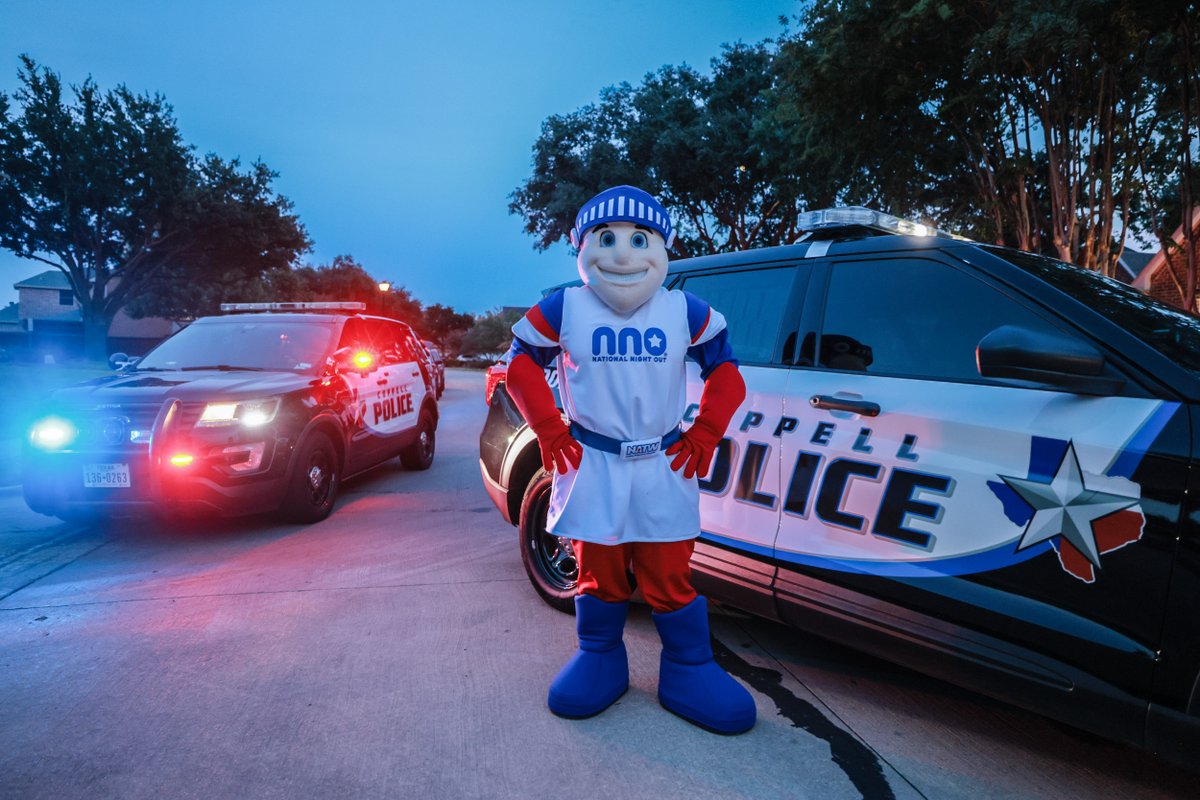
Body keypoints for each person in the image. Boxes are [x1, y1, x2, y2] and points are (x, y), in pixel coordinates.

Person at [504, 185, 755, 734]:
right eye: (607, 238)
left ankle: (689, 667)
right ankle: (600, 657)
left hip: (663, 463)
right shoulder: (565, 305)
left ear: (661, 247)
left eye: (639, 239)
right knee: (598, 572)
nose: (622, 253)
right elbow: (520, 363)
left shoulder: (683, 308)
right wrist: (547, 427)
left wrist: (707, 431)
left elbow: (727, 373)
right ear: (582, 246)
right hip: (592, 462)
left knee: (669, 573)